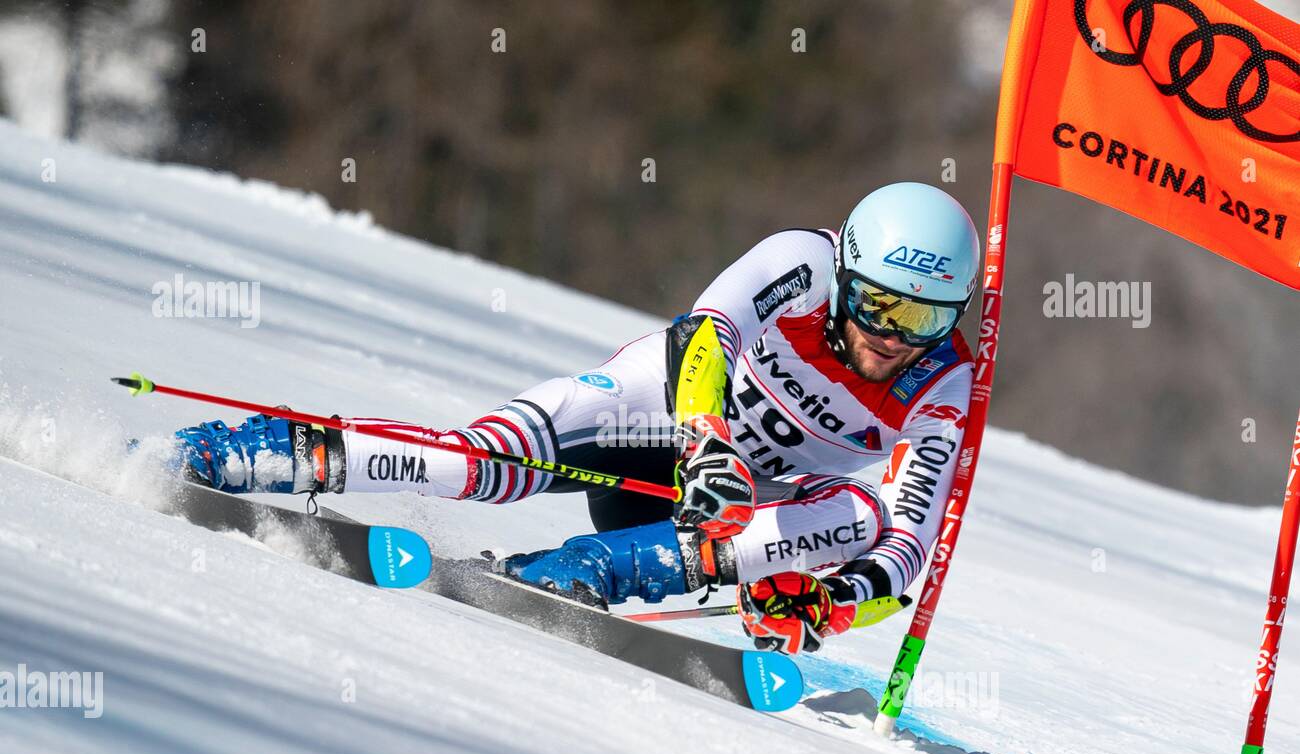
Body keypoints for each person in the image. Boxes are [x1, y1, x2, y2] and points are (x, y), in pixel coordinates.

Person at [172, 182, 980, 656]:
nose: (890, 338)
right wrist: (706, 443)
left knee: (863, 518)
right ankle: (271, 452)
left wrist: (831, 604)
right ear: (844, 274)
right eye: (878, 304)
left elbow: (908, 547)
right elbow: (704, 333)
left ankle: (584, 571)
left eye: (923, 320)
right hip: (657, 424)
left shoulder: (943, 383)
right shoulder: (799, 262)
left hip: (719, 522)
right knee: (476, 464)